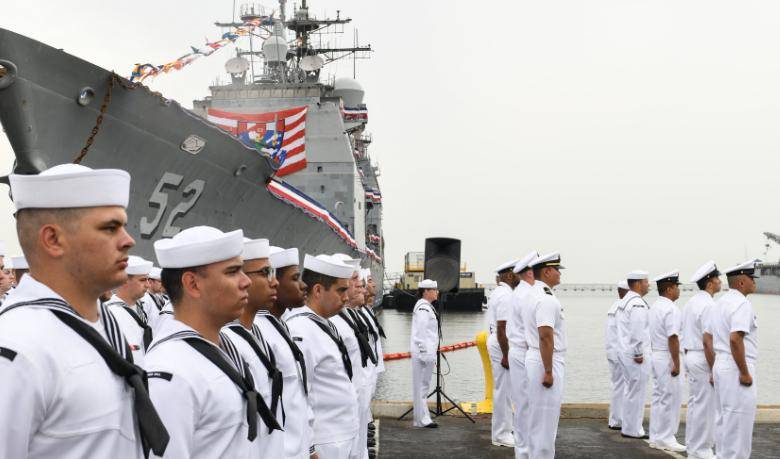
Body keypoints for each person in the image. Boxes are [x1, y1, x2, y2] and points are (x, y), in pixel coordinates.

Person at [0, 164, 168, 458]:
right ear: (53, 240)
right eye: (109, 228)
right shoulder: (18, 348)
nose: (128, 240)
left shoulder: (104, 325)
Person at [146, 226, 279, 458]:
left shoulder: (223, 348)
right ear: (193, 284)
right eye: (232, 272)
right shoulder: (170, 371)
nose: (246, 281)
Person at [287, 254, 359, 459]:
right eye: (341, 290)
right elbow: (299, 396)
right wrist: (309, 448)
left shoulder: (324, 324)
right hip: (325, 441)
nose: (346, 297)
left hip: (344, 434)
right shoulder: (300, 329)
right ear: (318, 290)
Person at [261, 245, 315, 459]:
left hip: (298, 448)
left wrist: (309, 446)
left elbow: (299, 395)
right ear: (273, 283)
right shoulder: (260, 333)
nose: (303, 285)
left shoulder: (281, 326)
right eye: (294, 278)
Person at [710, 259, 760, 459]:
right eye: (751, 278)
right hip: (736, 366)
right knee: (739, 424)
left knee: (724, 421)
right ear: (741, 282)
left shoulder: (720, 303)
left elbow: (708, 337)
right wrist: (745, 372)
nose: (754, 281)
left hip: (722, 364)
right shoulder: (741, 304)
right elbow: (735, 339)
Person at [522, 252, 566, 459]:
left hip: (536, 357)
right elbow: (546, 337)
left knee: (537, 419)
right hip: (545, 360)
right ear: (547, 271)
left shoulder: (532, 294)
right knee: (546, 421)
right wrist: (548, 371)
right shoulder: (546, 299)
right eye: (557, 270)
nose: (560, 274)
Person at [331, 254, 375, 459]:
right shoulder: (333, 321)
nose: (361, 285)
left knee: (358, 446)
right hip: (340, 414)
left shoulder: (349, 315)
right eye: (355, 279)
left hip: (359, 392)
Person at [682, 261, 721, 459]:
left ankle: (692, 446)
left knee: (696, 404)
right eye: (717, 278)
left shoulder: (691, 303)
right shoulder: (709, 305)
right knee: (706, 407)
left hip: (691, 355)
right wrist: (714, 369)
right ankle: (701, 450)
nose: (720, 281)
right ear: (710, 282)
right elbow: (708, 341)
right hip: (703, 357)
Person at [648, 271, 685, 452]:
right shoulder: (671, 309)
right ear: (669, 289)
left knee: (659, 398)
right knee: (670, 398)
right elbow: (673, 337)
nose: (679, 290)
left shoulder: (655, 306)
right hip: (667, 356)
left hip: (656, 354)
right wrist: (676, 363)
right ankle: (667, 437)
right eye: (677, 286)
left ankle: (656, 436)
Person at [507, 250, 538, 459]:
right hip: (524, 352)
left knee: (522, 403)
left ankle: (523, 450)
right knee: (527, 404)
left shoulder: (519, 292)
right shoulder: (527, 294)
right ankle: (525, 451)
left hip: (518, 350)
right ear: (530, 273)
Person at [486, 258, 520, 448]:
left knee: (506, 390)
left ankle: (506, 429)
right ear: (509, 275)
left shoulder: (501, 292)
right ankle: (501, 434)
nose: (520, 277)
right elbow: (502, 329)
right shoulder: (506, 295)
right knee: (504, 391)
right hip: (502, 344)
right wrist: (507, 355)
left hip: (501, 342)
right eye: (517, 273)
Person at [616, 270, 651, 439]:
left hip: (625, 352)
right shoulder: (637, 303)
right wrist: (638, 353)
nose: (648, 284)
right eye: (646, 281)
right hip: (635, 355)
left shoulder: (626, 301)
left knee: (631, 391)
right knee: (637, 393)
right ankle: (633, 429)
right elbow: (637, 330)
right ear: (638, 284)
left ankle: (629, 427)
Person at [105, 255, 154, 364]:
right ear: (124, 281)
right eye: (142, 280)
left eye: (148, 280)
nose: (147, 285)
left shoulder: (141, 309)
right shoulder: (110, 313)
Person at [410, 278, 440, 428]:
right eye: (434, 290)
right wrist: (423, 353)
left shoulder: (426, 306)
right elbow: (420, 333)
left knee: (423, 386)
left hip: (426, 352)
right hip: (423, 353)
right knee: (422, 386)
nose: (437, 292)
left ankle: (421, 418)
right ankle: (422, 420)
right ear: (426, 292)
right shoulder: (423, 308)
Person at [606, 280, 629, 430]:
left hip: (612, 351)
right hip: (620, 353)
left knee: (617, 386)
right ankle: (618, 420)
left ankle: (615, 419)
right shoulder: (623, 308)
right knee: (623, 387)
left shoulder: (614, 306)